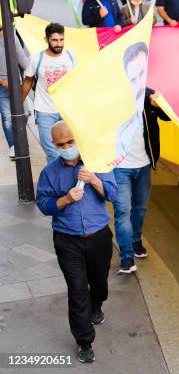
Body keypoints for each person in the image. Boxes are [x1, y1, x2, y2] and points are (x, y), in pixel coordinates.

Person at [36, 121, 117, 364]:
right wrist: (65, 200)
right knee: (77, 290)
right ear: (54, 145)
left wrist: (94, 180)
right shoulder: (49, 173)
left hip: (99, 236)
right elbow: (43, 204)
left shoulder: (96, 163)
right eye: (61, 145)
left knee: (99, 281)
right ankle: (84, 341)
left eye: (70, 142)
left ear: (78, 139)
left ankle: (98, 303)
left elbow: (112, 194)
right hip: (67, 240)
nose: (67, 147)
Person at [112, 43, 171, 274]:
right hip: (120, 167)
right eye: (134, 71)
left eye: (142, 70)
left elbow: (167, 118)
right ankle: (126, 256)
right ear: (124, 69)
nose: (138, 77)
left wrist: (160, 104)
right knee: (122, 212)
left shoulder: (148, 95)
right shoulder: (113, 98)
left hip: (144, 165)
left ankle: (135, 241)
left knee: (140, 209)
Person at [21, 23, 76, 162]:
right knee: (52, 153)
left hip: (67, 111)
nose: (59, 44)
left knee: (72, 150)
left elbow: (78, 81)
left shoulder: (70, 56)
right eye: (54, 40)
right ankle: (57, 182)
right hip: (45, 111)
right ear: (46, 40)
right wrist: (17, 105)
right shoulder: (36, 59)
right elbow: (28, 82)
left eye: (61, 40)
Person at [0, 25, 29, 159]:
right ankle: (13, 146)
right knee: (7, 117)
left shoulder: (12, 35)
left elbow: (23, 60)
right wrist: (3, 82)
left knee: (24, 113)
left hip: (17, 82)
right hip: (2, 85)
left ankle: (20, 140)